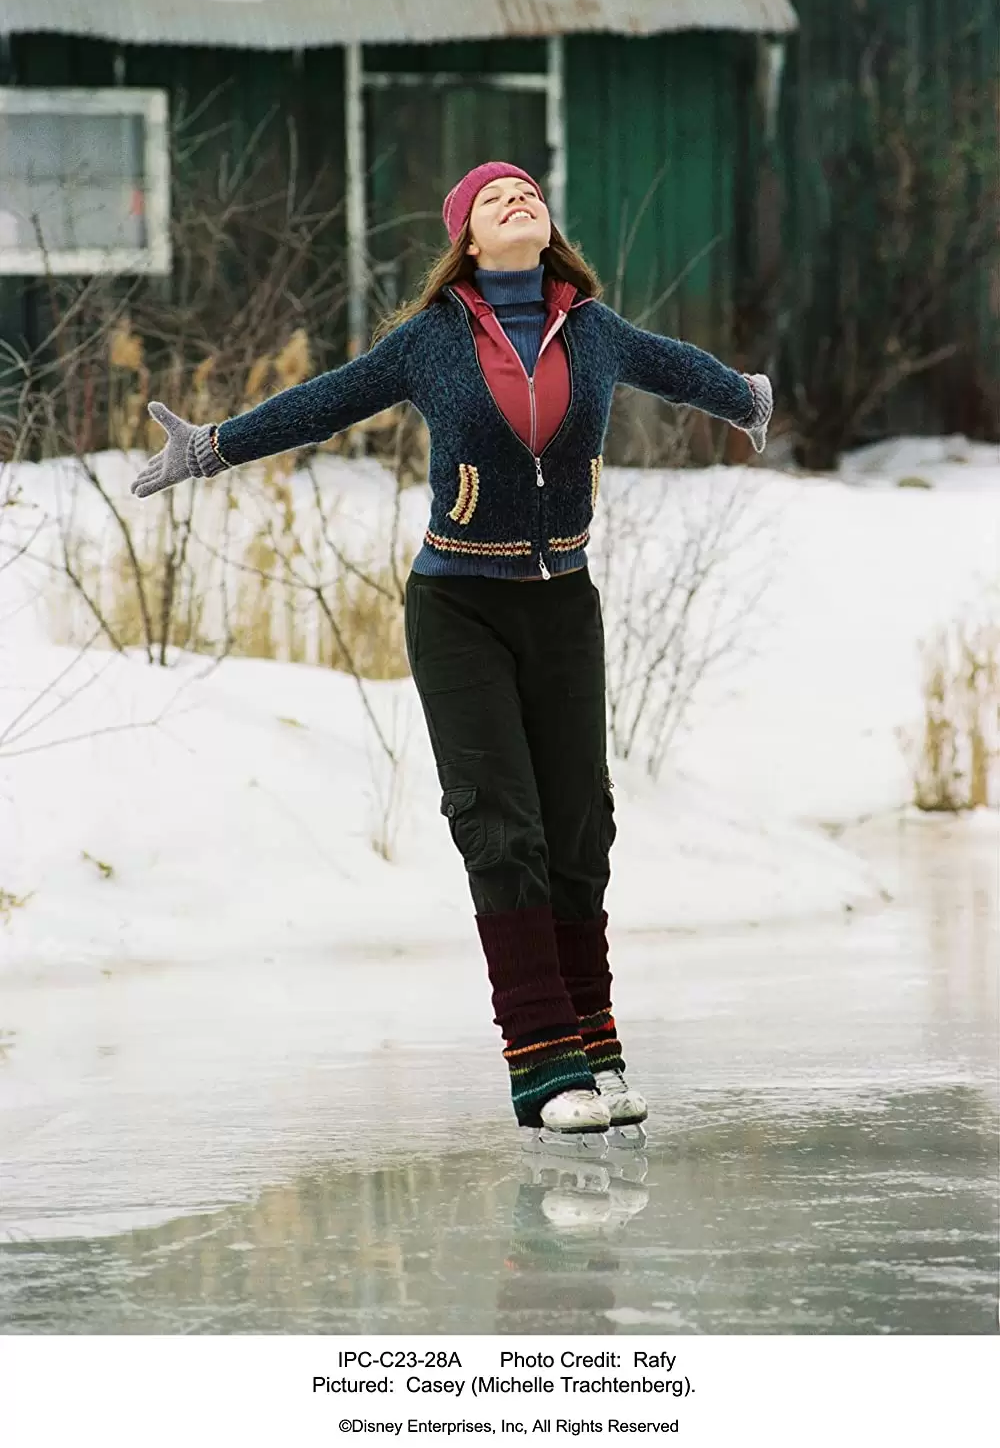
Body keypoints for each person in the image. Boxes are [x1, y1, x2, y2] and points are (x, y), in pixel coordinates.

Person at [131, 160, 772, 1138]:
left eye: (528, 191)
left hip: (563, 603)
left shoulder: (591, 329)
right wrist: (210, 446)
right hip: (459, 605)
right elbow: (327, 399)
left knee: (580, 830)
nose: (518, 199)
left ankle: (596, 1045)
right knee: (500, 827)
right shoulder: (432, 338)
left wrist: (743, 398)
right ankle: (543, 1064)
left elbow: (677, 366)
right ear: (468, 238)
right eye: (492, 198)